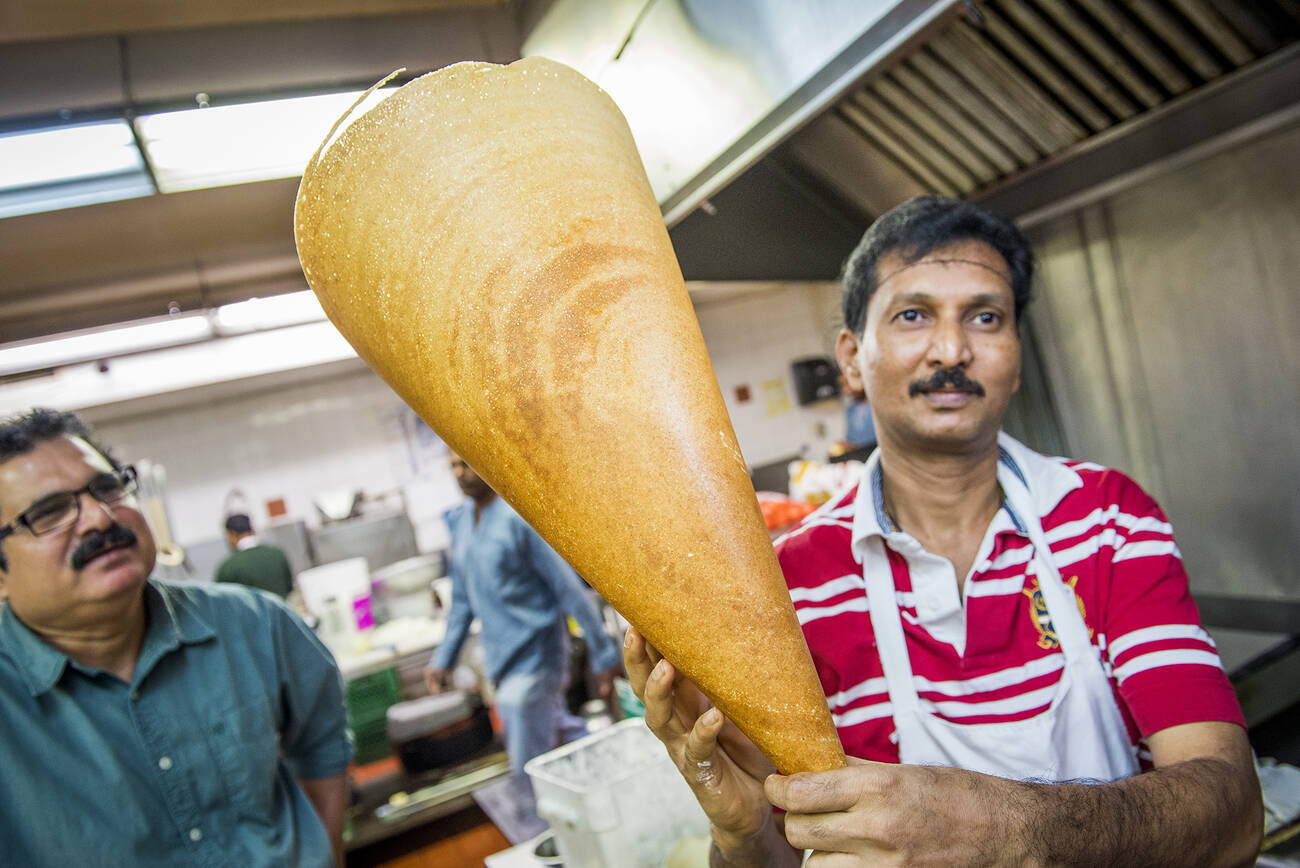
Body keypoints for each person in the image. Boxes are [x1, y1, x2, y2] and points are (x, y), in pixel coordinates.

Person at [625, 196, 1262, 866]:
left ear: (1015, 356)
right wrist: (745, 832)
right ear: (851, 360)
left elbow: (1234, 815)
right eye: (912, 315)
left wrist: (1005, 828)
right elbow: (789, 853)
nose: (953, 349)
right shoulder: (791, 589)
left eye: (986, 317)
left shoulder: (1107, 520)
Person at [0, 408, 352, 868]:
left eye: (107, 488)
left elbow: (323, 744)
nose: (100, 518)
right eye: (49, 513)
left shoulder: (255, 624)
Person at [424, 451, 622, 773]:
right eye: (454, 467)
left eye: (467, 463)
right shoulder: (461, 522)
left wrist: (604, 654)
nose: (461, 474)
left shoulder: (517, 517)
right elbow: (461, 600)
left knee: (529, 766)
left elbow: (568, 589)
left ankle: (537, 820)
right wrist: (443, 658)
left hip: (537, 656)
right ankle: (618, 768)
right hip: (501, 661)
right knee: (559, 737)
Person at [215, 512, 295, 599]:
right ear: (252, 530)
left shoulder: (228, 568)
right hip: (282, 610)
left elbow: (222, 602)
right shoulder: (277, 553)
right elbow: (289, 587)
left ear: (232, 534)